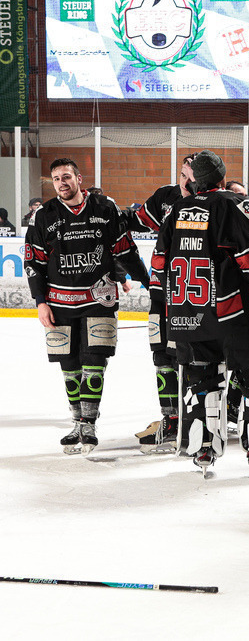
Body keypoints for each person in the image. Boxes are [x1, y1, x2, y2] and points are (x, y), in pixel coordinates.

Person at [153, 150, 249, 476]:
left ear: (195, 179)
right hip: (232, 312)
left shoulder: (176, 210)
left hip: (187, 314)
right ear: (221, 176)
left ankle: (202, 448)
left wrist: (174, 307)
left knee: (202, 378)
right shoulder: (236, 204)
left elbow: (159, 264)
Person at [25, 158, 149, 454]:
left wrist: (148, 282)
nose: (61, 183)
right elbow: (34, 263)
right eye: (56, 178)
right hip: (60, 303)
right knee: (69, 368)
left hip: (99, 300)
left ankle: (89, 424)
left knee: (94, 365)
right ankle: (77, 423)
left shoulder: (105, 208)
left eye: (66, 176)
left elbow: (125, 250)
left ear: (79, 179)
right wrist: (40, 302)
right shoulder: (43, 216)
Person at [126, 152, 196, 452]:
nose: (185, 182)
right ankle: (171, 419)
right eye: (182, 174)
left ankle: (195, 418)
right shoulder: (165, 197)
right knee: (161, 357)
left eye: (192, 176)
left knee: (190, 358)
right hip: (160, 292)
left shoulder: (213, 203)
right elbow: (135, 220)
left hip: (192, 297)